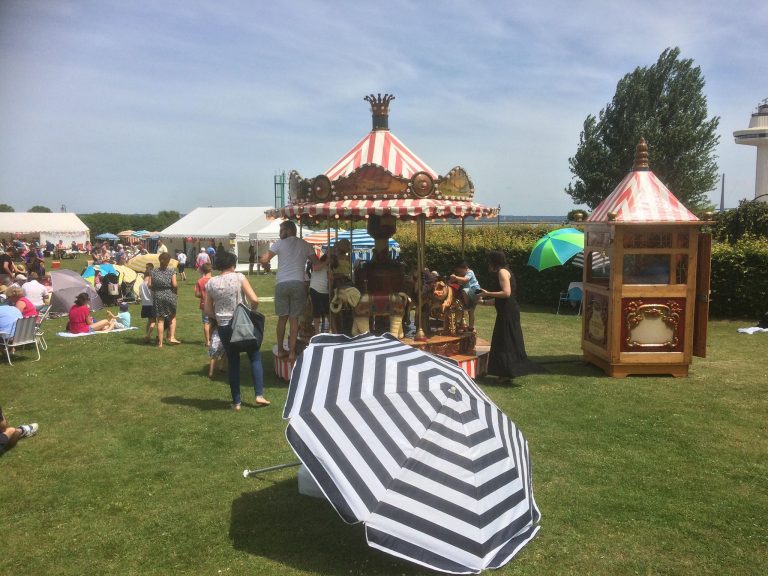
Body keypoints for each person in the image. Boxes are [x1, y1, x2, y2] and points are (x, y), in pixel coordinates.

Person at [204, 251, 270, 410]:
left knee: (233, 361)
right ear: (233, 264)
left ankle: (237, 402)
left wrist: (219, 318)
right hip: (242, 323)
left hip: (224, 327)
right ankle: (259, 395)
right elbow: (254, 299)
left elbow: (207, 309)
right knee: (254, 356)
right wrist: (251, 313)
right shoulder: (239, 277)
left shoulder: (211, 282)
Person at [478, 250, 544, 383]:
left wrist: (487, 293)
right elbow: (502, 299)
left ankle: (506, 373)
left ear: (493, 262)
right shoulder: (504, 271)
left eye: (489, 261)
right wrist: (484, 302)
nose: (488, 264)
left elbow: (506, 293)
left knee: (505, 342)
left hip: (508, 312)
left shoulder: (502, 272)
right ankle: (506, 372)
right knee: (503, 341)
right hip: (507, 310)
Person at [260, 220, 316, 363]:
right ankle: (292, 353)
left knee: (282, 318)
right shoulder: (305, 244)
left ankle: (280, 350)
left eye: (281, 230)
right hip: (298, 283)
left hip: (281, 283)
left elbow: (263, 259)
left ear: (288, 230)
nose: (280, 233)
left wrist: (266, 268)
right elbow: (318, 263)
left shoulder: (279, 243)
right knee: (294, 319)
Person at [148, 252, 180, 347]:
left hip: (158, 295)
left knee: (160, 320)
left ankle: (160, 343)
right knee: (172, 317)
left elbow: (149, 285)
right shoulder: (171, 271)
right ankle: (172, 337)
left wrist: (155, 289)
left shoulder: (153, 271)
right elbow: (174, 285)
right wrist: (176, 292)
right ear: (168, 261)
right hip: (170, 295)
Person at [449, 260, 481, 331]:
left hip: (475, 291)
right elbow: (460, 283)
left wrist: (456, 277)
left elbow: (465, 280)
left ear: (466, 268)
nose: (460, 273)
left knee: (464, 290)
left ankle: (467, 306)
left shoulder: (470, 272)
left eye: (460, 271)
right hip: (469, 293)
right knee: (471, 312)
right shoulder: (463, 275)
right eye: (458, 272)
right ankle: (471, 327)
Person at [309, 253, 330, 334]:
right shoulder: (317, 264)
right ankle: (317, 331)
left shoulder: (327, 267)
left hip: (324, 290)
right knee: (316, 310)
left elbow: (329, 277)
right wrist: (326, 262)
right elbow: (316, 268)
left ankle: (332, 329)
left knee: (327, 310)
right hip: (315, 289)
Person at [194, 262, 213, 346]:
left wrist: (202, 295)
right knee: (214, 323)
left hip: (204, 304)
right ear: (211, 269)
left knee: (206, 322)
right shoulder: (214, 279)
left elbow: (196, 294)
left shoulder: (200, 281)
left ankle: (207, 341)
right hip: (214, 304)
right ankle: (213, 339)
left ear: (202, 270)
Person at [139, 264, 157, 343]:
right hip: (151, 303)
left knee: (149, 321)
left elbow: (140, 294)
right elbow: (153, 293)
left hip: (144, 304)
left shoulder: (141, 284)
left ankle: (147, 336)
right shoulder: (150, 284)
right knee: (153, 321)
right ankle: (148, 336)